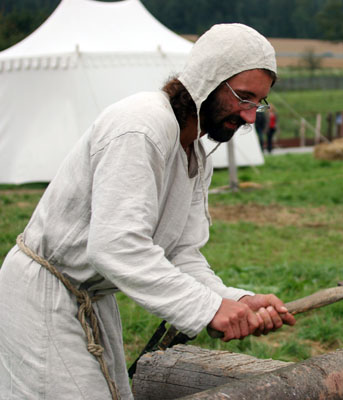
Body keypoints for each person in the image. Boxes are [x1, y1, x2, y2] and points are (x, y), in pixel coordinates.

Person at [0, 23, 295, 400]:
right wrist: (207, 308)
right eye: (244, 97)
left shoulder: (195, 153)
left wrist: (232, 299)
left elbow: (179, 254)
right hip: (44, 297)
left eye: (258, 102)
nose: (251, 117)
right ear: (208, 79)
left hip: (89, 299)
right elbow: (115, 246)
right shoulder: (141, 127)